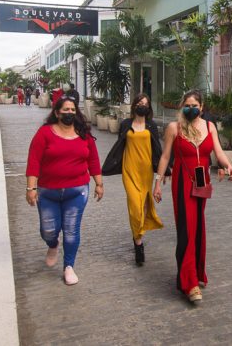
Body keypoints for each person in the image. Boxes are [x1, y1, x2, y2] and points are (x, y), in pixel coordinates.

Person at [153, 90, 232, 304]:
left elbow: (217, 152)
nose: (191, 108)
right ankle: (188, 282)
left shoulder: (210, 127)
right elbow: (165, 156)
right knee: (187, 229)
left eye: (194, 105)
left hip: (202, 181)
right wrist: (158, 182)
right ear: (182, 106)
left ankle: (197, 273)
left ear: (202, 107)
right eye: (187, 105)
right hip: (182, 181)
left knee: (199, 226)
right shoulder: (175, 128)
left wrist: (227, 165)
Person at [25, 95, 104, 285]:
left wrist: (99, 183)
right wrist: (31, 187)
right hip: (48, 191)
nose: (69, 113)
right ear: (57, 112)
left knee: (71, 229)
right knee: (48, 230)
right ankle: (53, 244)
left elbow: (93, 159)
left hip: (77, 191)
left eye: (73, 110)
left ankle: (69, 266)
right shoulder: (44, 133)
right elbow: (34, 160)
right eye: (65, 110)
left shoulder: (83, 133)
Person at [105, 93, 165, 266]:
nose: (142, 106)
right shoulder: (125, 124)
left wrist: (162, 173)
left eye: (145, 103)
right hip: (129, 170)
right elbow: (119, 147)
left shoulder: (151, 125)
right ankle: (138, 243)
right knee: (134, 207)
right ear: (134, 105)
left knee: (143, 207)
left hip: (145, 172)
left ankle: (137, 236)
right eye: (139, 103)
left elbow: (157, 150)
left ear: (149, 108)